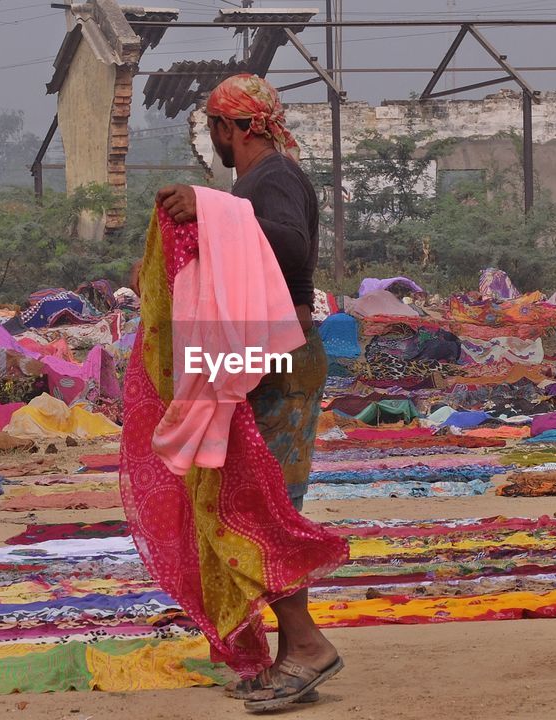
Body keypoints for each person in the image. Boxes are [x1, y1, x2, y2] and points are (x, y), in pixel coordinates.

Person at [154, 73, 340, 709]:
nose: (215, 142)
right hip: (258, 353)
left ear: (232, 129)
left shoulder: (274, 179)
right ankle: (287, 650)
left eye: (216, 130)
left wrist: (209, 208)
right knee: (241, 500)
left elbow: (287, 245)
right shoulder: (251, 187)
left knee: (258, 508)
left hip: (279, 357)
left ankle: (307, 645)